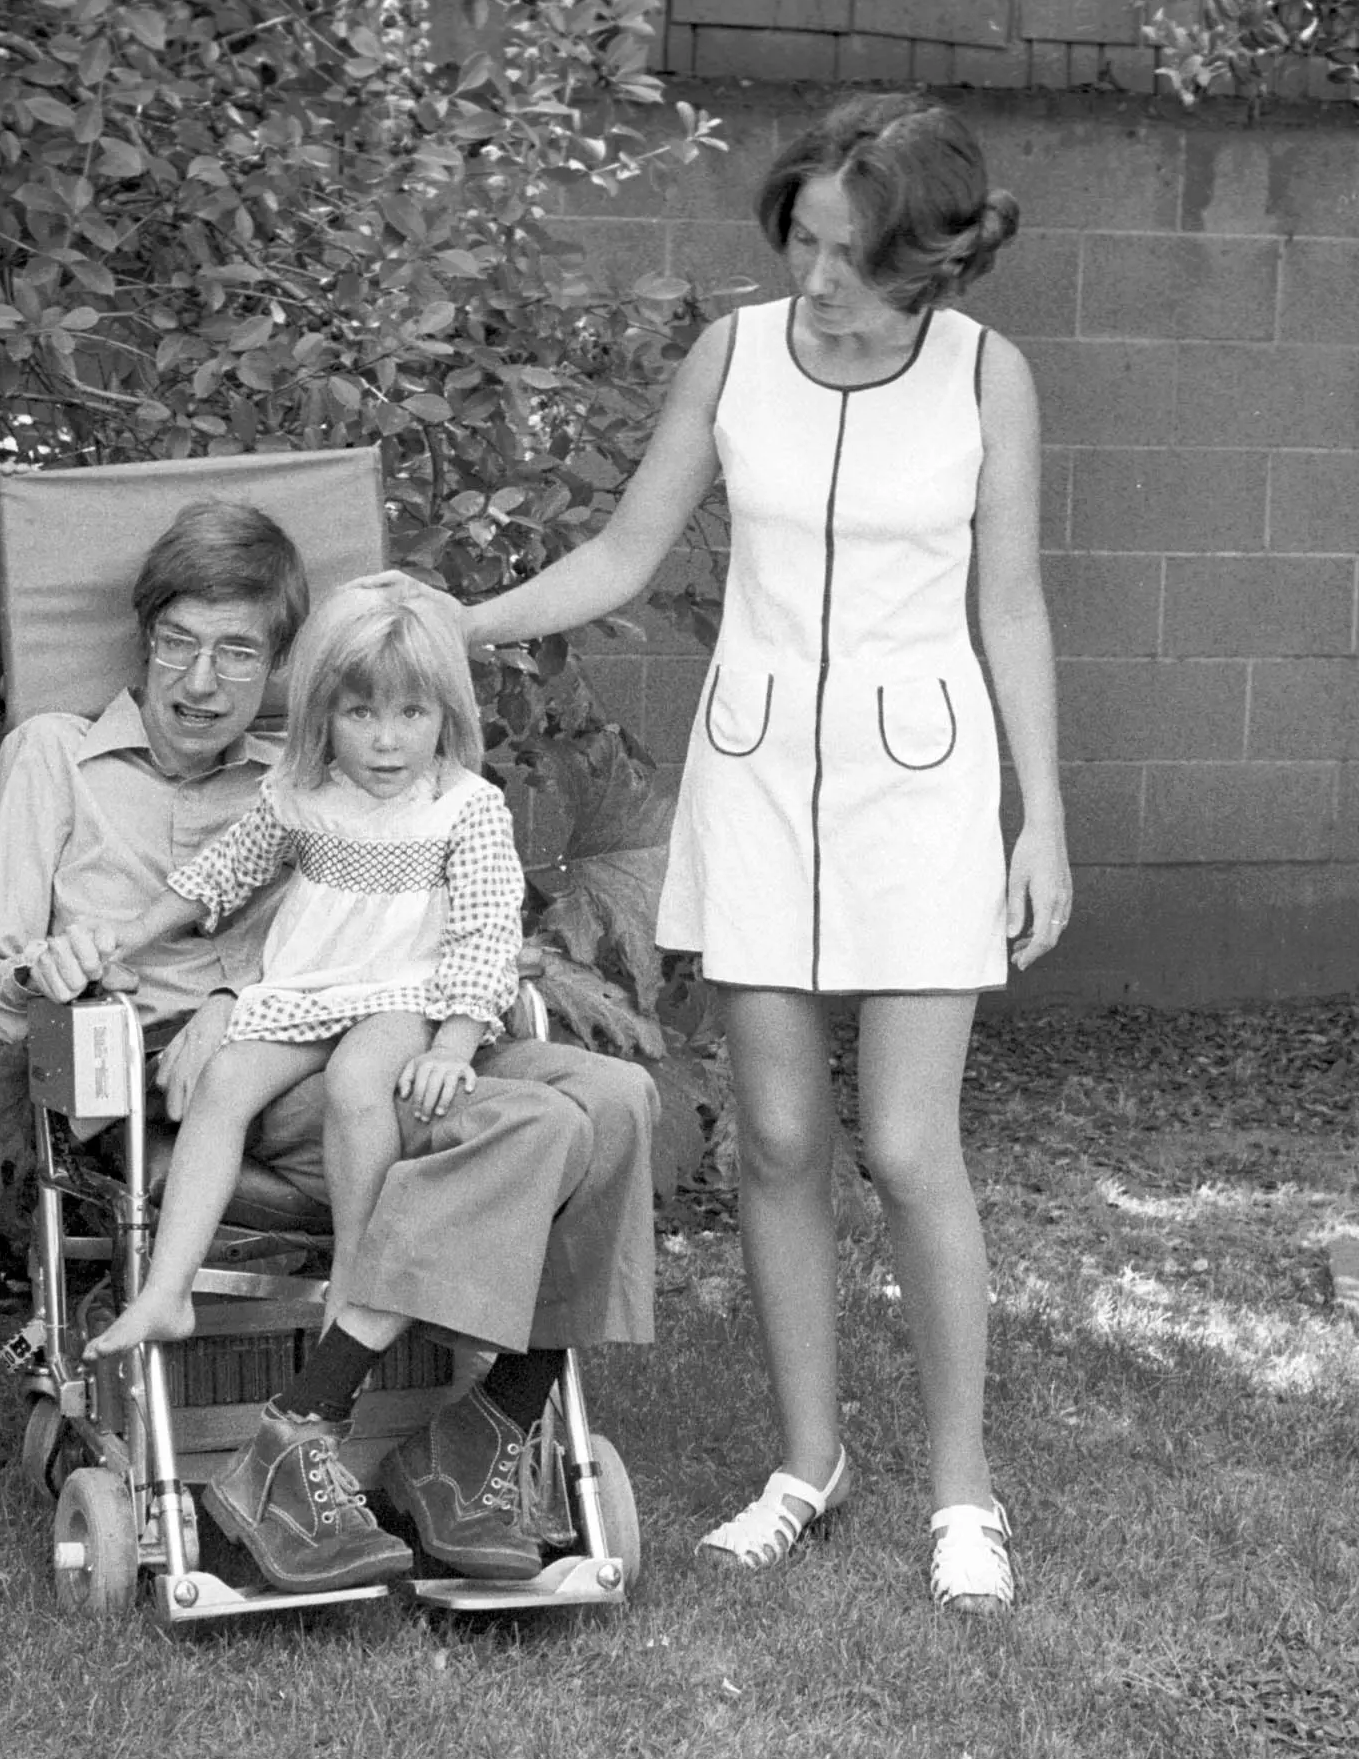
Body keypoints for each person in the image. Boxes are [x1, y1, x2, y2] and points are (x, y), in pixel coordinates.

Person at [448, 94, 1071, 1614]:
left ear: (926, 260)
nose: (819, 281)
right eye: (801, 242)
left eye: (853, 257)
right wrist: (460, 621)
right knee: (780, 1144)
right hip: (758, 783)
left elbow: (1010, 605)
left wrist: (1040, 816)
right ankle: (809, 1463)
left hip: (922, 792)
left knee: (911, 1147)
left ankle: (962, 1490)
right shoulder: (730, 355)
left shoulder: (989, 377)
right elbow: (621, 553)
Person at [0, 499, 656, 1596]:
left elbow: (391, 926)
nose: (200, 679)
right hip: (201, 1072)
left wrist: (244, 993)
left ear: (280, 667)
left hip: (370, 1024)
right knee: (536, 1124)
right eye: (178, 641)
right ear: (144, 638)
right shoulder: (56, 755)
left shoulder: (321, 770)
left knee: (612, 1100)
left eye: (238, 652)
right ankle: (341, 1427)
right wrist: (49, 971)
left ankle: (487, 1423)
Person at [59, 581, 523, 1365]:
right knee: (225, 1081)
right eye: (360, 714)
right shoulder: (303, 796)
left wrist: (453, 1042)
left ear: (447, 714)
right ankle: (167, 1290)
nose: (385, 741)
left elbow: (487, 931)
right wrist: (127, 936)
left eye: (411, 714)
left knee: (357, 1082)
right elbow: (218, 876)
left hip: (405, 990)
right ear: (321, 717)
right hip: (307, 990)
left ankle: (353, 1287)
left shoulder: (462, 807)